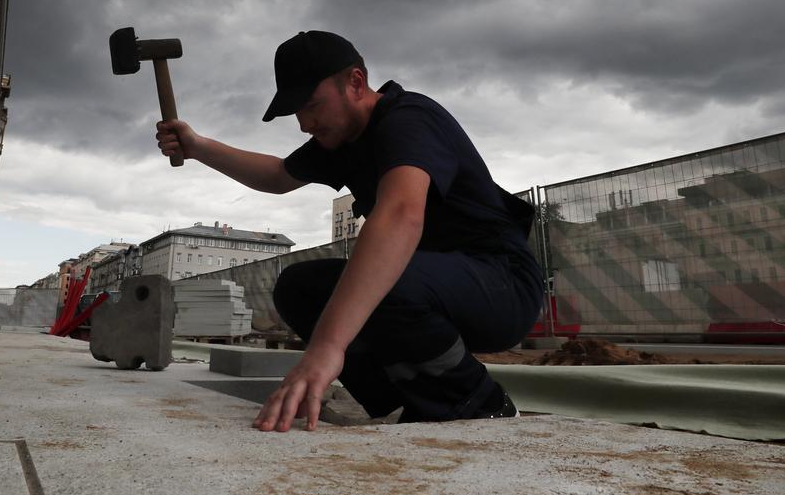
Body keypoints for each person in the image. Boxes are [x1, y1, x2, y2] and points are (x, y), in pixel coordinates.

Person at [155, 30, 543, 432]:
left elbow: (400, 215)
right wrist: (198, 146)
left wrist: (328, 346)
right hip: (435, 285)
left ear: (356, 83)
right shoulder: (340, 140)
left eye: (312, 105)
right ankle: (400, 406)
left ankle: (481, 404)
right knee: (300, 287)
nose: (305, 123)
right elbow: (277, 175)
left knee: (382, 275)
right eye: (297, 114)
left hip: (501, 284)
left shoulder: (409, 119)